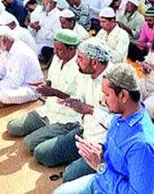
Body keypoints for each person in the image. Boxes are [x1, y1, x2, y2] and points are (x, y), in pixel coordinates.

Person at [54, 63, 154, 194]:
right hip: (102, 183)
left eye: (107, 94)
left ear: (123, 95)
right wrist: (100, 150)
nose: (103, 100)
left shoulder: (143, 146)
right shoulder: (121, 118)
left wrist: (100, 167)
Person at [33, 38, 113, 182]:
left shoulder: (115, 82)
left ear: (94, 63)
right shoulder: (85, 74)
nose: (77, 62)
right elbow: (80, 98)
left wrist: (89, 110)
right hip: (85, 133)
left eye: (81, 58)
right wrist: (73, 102)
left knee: (69, 177)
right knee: (41, 153)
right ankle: (79, 157)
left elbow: (120, 124)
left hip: (103, 145)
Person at [7, 29, 82, 151]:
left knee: (29, 143)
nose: (55, 52)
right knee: (13, 127)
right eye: (54, 48)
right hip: (48, 109)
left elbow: (79, 100)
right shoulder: (56, 59)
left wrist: (53, 92)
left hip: (66, 116)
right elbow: (50, 80)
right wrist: (44, 84)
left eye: (59, 49)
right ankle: (46, 131)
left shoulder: (81, 67)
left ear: (71, 49)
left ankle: (63, 134)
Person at [29, 0, 61, 64]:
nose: (42, 2)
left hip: (48, 44)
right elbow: (37, 30)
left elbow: (56, 36)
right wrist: (34, 27)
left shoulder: (58, 16)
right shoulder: (43, 13)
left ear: (52, 2)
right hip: (38, 42)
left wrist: (40, 29)